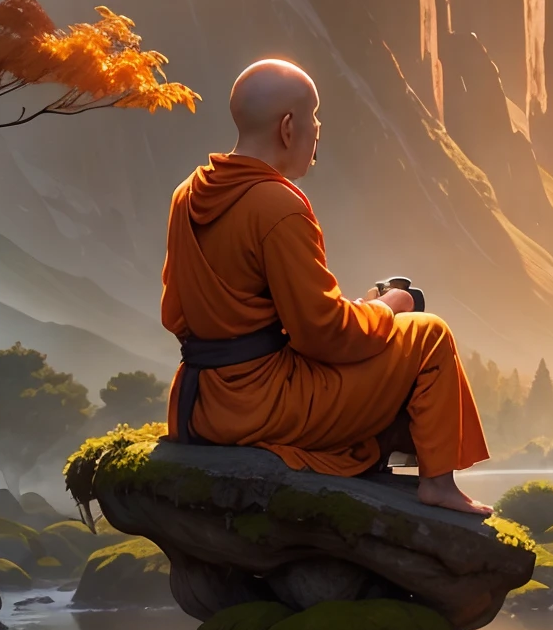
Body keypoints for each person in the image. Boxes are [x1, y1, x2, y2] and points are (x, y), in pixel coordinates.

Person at [159, 58, 493, 515]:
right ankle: (437, 484)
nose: (318, 129)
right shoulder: (278, 205)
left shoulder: (188, 193)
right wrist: (390, 306)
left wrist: (360, 306)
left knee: (386, 333)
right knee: (428, 334)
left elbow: (179, 313)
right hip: (259, 406)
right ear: (289, 127)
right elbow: (324, 334)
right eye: (314, 116)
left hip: (197, 405)